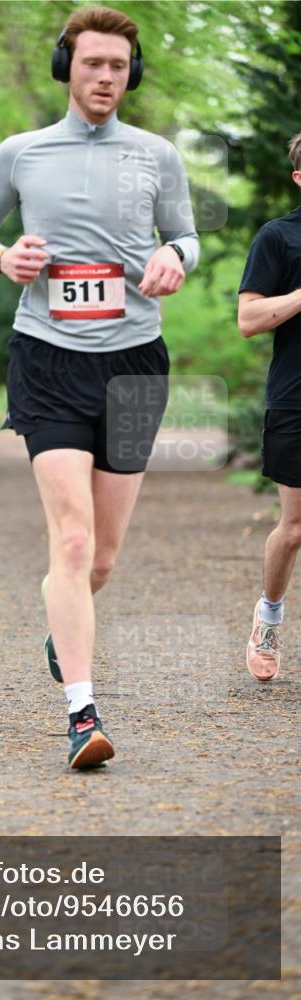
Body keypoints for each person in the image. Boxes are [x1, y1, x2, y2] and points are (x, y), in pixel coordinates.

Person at [0, 5, 199, 769]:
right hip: (47, 356)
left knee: (101, 561)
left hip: (133, 365)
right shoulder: (21, 153)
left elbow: (186, 232)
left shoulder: (156, 154)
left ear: (131, 75)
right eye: (91, 63)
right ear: (66, 66)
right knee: (68, 539)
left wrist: (177, 260)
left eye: (118, 67)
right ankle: (81, 714)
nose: (104, 77)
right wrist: (1, 258)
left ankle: (65, 625)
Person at [238, 133, 301, 681]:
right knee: (295, 527)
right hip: (295, 398)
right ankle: (269, 618)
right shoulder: (277, 238)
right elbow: (249, 320)